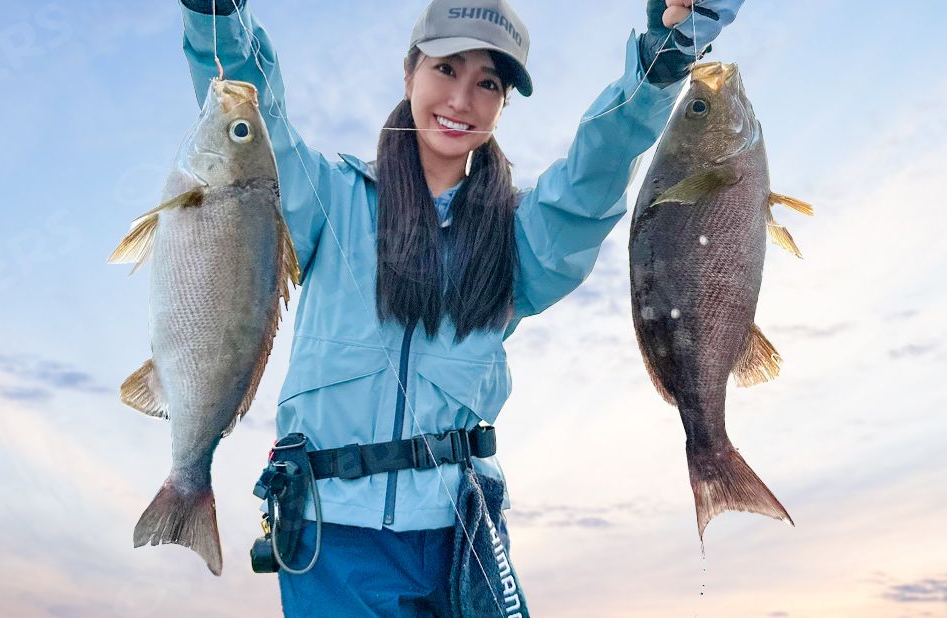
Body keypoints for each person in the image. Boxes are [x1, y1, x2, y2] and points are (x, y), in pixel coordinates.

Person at [176, 0, 743, 615]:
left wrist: (669, 57)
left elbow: (594, 174)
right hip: (330, 538)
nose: (462, 99)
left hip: (466, 535)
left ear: (503, 105)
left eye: (488, 83)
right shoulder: (328, 197)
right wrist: (217, 14)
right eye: (446, 69)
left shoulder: (521, 234)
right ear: (409, 73)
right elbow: (254, 111)